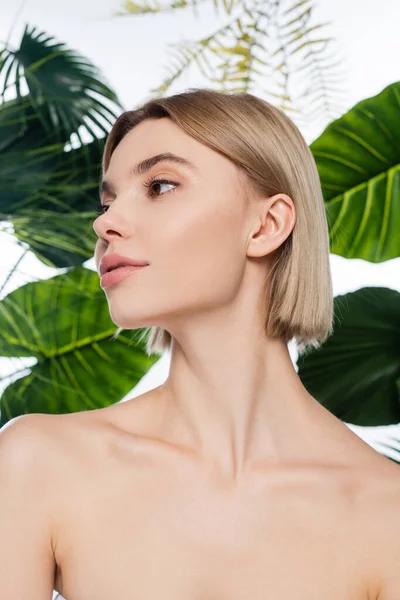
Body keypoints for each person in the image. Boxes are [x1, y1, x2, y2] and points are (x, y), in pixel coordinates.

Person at [1, 87, 399, 600]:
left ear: (267, 225)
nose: (104, 223)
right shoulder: (40, 463)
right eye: (108, 200)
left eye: (160, 186)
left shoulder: (385, 514)